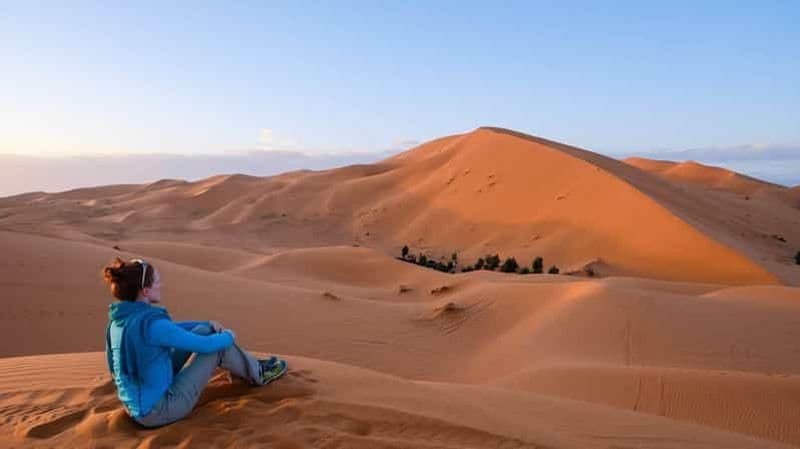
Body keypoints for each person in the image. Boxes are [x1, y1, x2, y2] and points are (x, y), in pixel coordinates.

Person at [102, 257, 286, 427]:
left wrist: (205, 325)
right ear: (146, 291)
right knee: (218, 347)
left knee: (205, 331)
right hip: (159, 410)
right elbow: (204, 346)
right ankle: (259, 374)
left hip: (135, 405)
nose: (161, 284)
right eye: (157, 281)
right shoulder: (152, 325)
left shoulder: (119, 322)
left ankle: (246, 368)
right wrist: (229, 335)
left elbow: (172, 330)